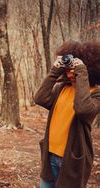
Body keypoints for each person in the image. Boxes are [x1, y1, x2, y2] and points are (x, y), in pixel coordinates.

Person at [34, 41, 100, 188]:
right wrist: (55, 71)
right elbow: (39, 98)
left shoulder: (95, 94)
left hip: (72, 161)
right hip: (50, 156)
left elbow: (83, 109)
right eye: (68, 69)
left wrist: (81, 72)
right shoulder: (61, 88)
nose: (70, 72)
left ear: (89, 69)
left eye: (74, 69)